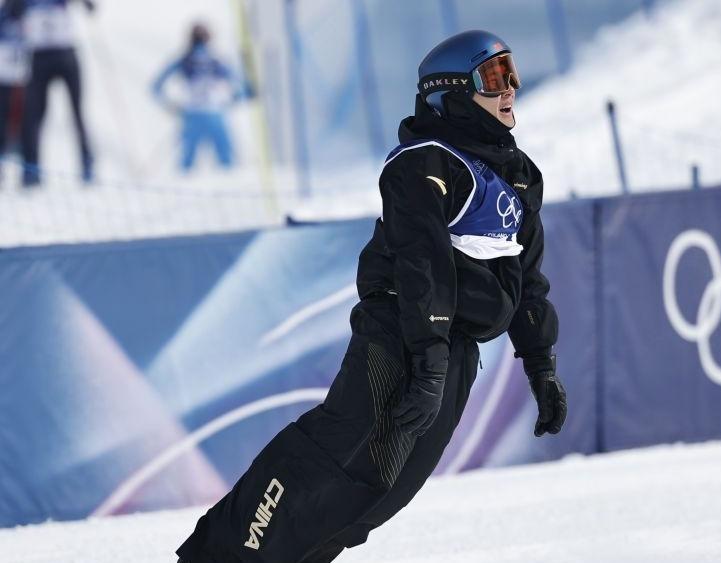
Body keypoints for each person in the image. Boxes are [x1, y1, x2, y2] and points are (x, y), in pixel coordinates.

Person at [176, 30, 567, 563]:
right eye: (494, 77)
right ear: (452, 92)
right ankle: (216, 555)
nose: (510, 88)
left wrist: (541, 366)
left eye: (511, 73)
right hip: (403, 335)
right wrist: (426, 363)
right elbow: (423, 267)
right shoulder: (423, 164)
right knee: (335, 461)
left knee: (382, 495)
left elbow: (527, 279)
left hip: (455, 350)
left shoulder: (517, 175)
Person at [6, 0, 95, 187]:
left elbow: (90, 7)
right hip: (39, 57)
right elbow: (9, 14)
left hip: (65, 54)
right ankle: (31, 169)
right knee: (34, 116)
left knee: (77, 113)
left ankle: (87, 164)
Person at [152, 23, 243, 173]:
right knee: (226, 163)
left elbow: (156, 87)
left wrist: (171, 106)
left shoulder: (184, 60)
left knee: (186, 165)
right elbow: (241, 85)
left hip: (192, 115)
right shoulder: (216, 60)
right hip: (215, 113)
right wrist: (233, 99)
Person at [0, 0, 28, 186]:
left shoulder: (26, 10)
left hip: (23, 76)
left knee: (25, 123)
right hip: (3, 75)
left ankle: (28, 172)